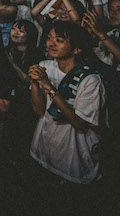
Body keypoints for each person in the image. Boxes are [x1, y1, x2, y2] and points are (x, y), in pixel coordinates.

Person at [27, 20, 107, 190]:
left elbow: (79, 123)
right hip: (44, 150)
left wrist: (49, 87)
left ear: (77, 49)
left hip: (73, 160)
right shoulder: (45, 66)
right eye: (49, 38)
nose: (51, 43)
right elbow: (39, 110)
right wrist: (34, 83)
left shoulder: (90, 80)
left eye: (59, 40)